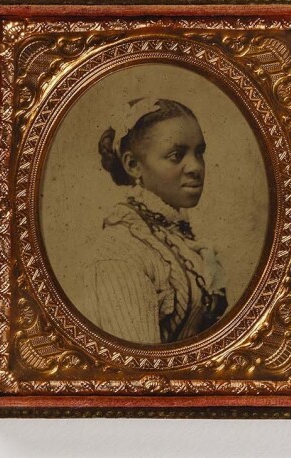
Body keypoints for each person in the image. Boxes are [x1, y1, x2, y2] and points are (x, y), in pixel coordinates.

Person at [82, 97, 229, 344]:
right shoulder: (120, 252)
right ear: (133, 165)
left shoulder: (176, 233)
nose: (196, 167)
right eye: (176, 155)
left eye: (199, 152)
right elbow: (138, 373)